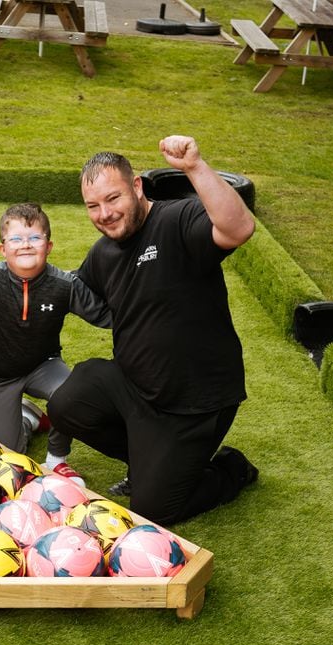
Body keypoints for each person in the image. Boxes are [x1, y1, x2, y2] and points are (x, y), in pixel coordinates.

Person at [48, 136, 260, 527]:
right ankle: (150, 459)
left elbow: (239, 228)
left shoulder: (177, 220)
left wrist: (195, 167)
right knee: (66, 404)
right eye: (93, 206)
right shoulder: (103, 253)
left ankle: (231, 468)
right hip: (135, 387)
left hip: (195, 403)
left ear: (137, 187)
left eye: (113, 199)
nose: (105, 214)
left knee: (154, 510)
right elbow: (74, 291)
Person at [0, 202, 111, 486]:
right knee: (11, 459)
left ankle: (57, 459)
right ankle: (28, 418)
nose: (25, 245)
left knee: (71, 394)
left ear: (48, 246)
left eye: (35, 238)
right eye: (16, 239)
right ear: (3, 249)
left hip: (43, 366)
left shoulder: (64, 285)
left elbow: (104, 315)